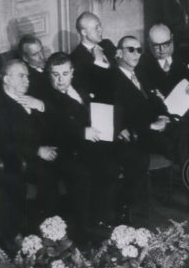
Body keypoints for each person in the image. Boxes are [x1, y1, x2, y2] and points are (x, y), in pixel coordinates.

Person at [44, 52, 141, 239]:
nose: (60, 79)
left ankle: (120, 208)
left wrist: (117, 128)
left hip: (99, 138)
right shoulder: (48, 98)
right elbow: (55, 127)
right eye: (55, 74)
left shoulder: (79, 87)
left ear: (72, 72)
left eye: (64, 73)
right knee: (106, 168)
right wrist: (81, 132)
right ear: (49, 74)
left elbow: (100, 108)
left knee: (136, 158)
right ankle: (94, 223)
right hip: (73, 147)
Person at [0, 59, 56, 246]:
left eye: (27, 76)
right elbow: (3, 142)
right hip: (14, 158)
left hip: (41, 154)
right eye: (21, 76)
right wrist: (36, 150)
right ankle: (22, 234)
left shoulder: (30, 97)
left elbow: (52, 126)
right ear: (7, 79)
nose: (27, 80)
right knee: (42, 177)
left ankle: (52, 230)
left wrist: (40, 106)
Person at [70, 11, 116, 102]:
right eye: (96, 27)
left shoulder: (107, 45)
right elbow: (92, 89)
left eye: (100, 26)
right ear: (84, 32)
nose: (101, 30)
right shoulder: (74, 59)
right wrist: (98, 63)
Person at [18, 34, 50, 101]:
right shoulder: (28, 79)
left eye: (41, 50)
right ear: (25, 58)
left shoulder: (50, 63)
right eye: (35, 54)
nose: (42, 56)